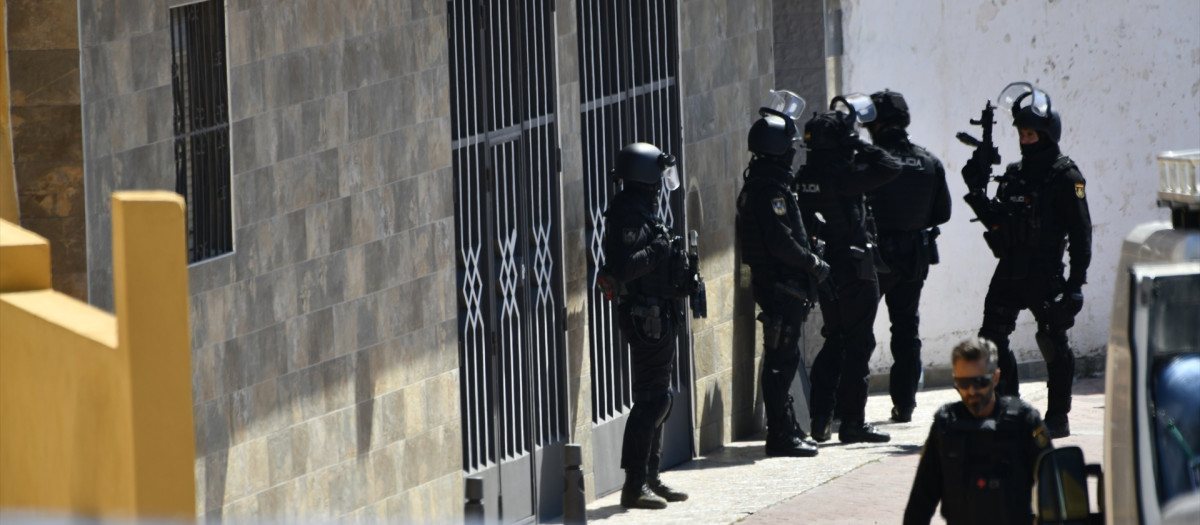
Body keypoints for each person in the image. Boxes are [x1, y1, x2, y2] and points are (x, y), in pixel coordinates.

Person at [961, 82, 1092, 438]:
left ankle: (1058, 417)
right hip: (1010, 270)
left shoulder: (1067, 176)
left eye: (1031, 133)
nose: (1025, 139)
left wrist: (1076, 286)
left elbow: (1081, 233)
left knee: (1053, 342)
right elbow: (997, 222)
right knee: (991, 339)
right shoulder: (1015, 174)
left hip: (1045, 271)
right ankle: (1009, 408)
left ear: (1047, 133)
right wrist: (975, 193)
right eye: (1021, 133)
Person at [794, 94, 902, 443]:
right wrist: (859, 143)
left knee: (834, 338)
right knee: (858, 343)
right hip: (855, 269)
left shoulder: (806, 175)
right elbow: (891, 167)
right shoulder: (844, 176)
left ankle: (822, 417)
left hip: (825, 271)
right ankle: (853, 423)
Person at [601, 142, 694, 509]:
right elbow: (625, 267)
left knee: (661, 398)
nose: (661, 181)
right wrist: (661, 249)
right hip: (645, 317)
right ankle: (634, 483)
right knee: (650, 400)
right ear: (645, 175)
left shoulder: (643, 208)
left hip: (660, 312)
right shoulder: (627, 213)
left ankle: (651, 478)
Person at [736, 90, 827, 458]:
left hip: (782, 284)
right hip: (780, 285)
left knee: (784, 360)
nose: (793, 151)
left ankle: (787, 427)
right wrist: (812, 263)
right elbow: (780, 242)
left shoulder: (768, 184)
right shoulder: (768, 190)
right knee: (779, 362)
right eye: (789, 145)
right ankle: (780, 435)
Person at [863, 90, 952, 423]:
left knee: (857, 331)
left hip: (872, 257)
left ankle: (849, 410)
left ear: (879, 124)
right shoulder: (928, 162)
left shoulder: (870, 160)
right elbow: (942, 213)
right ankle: (905, 404)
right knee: (906, 330)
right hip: (912, 256)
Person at [903, 337, 1054, 525]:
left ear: (995, 377)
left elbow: (1053, 486)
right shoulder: (947, 424)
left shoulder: (1024, 421)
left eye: (980, 382)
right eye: (963, 383)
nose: (972, 391)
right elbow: (922, 498)